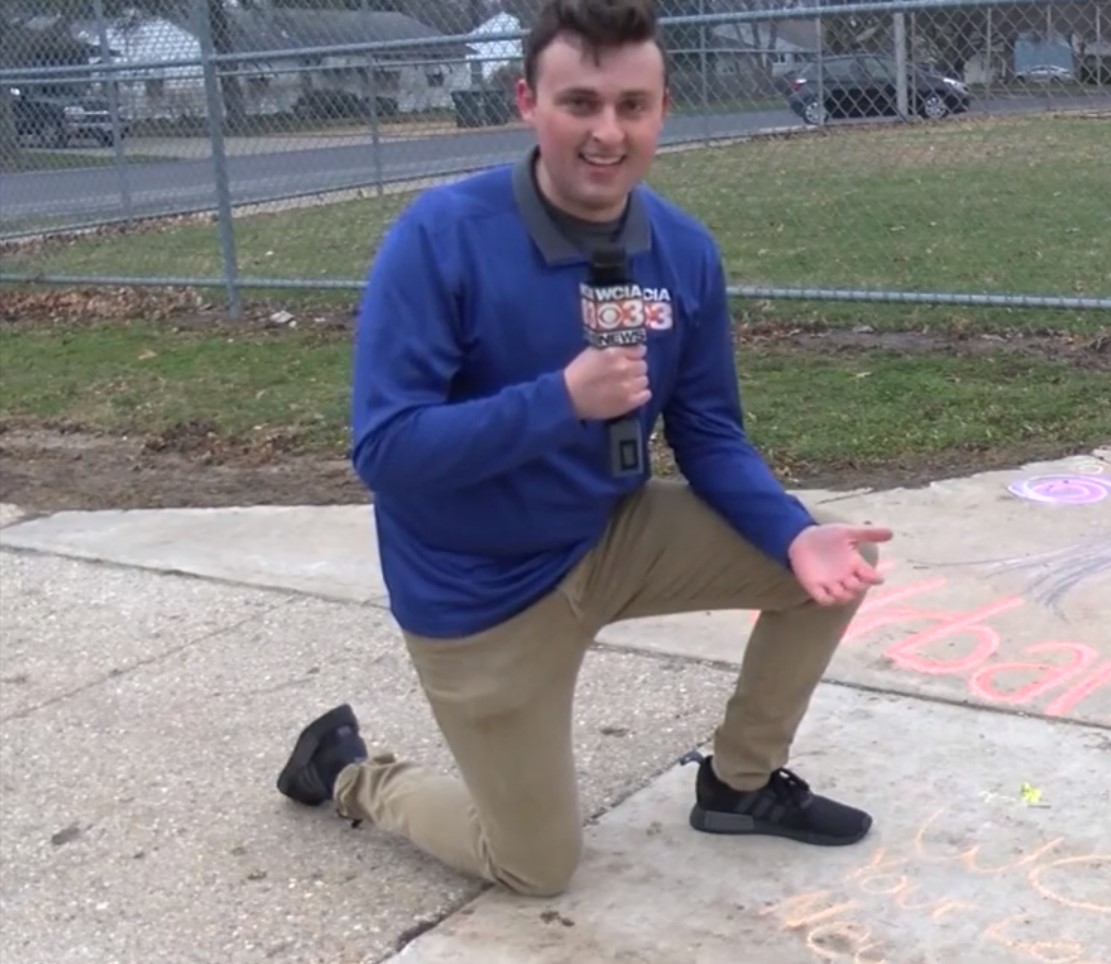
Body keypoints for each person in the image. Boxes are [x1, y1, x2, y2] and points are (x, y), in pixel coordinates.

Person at [272, 0, 892, 899]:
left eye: (632, 107)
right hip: (478, 588)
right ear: (528, 100)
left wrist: (791, 533)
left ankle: (739, 784)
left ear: (663, 111)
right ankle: (345, 772)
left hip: (609, 534)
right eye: (581, 104)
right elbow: (387, 449)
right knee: (535, 866)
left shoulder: (683, 251)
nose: (608, 133)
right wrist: (559, 400)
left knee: (828, 564)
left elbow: (710, 431)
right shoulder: (441, 236)